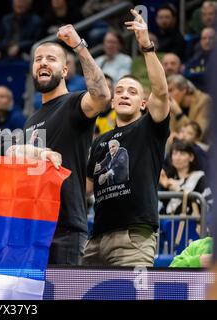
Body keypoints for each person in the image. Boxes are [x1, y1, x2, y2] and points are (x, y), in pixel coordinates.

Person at [82, 9, 170, 267]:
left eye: (132, 91)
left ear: (143, 103)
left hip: (134, 238)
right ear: (111, 100)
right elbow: (84, 189)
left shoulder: (149, 127)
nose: (123, 94)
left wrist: (146, 46)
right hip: (96, 238)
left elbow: (162, 91)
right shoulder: (100, 141)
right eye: (119, 90)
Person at [24, 24, 111, 265]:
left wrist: (79, 47)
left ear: (64, 70)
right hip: (33, 227)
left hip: (66, 228)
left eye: (50, 59)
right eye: (38, 59)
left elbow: (103, 96)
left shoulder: (74, 103)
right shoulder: (30, 119)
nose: (42, 62)